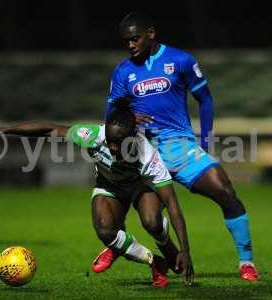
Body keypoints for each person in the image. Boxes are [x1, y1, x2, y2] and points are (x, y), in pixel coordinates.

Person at [93, 11, 259, 281]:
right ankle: (114, 244)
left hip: (178, 146)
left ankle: (246, 262)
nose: (131, 45)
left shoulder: (180, 60)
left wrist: (204, 141)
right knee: (138, 211)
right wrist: (129, 120)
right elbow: (111, 115)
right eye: (126, 41)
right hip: (140, 149)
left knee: (226, 192)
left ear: (151, 33)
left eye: (135, 39)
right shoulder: (123, 71)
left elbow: (205, 99)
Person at [0, 98, 194, 287]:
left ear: (132, 136)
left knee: (152, 222)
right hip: (110, 186)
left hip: (140, 186)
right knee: (106, 230)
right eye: (111, 142)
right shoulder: (93, 135)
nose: (114, 148)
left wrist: (185, 250)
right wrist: (4, 130)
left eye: (119, 143)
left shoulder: (146, 155)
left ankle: (164, 242)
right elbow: (50, 129)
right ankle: (154, 262)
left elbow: (173, 204)